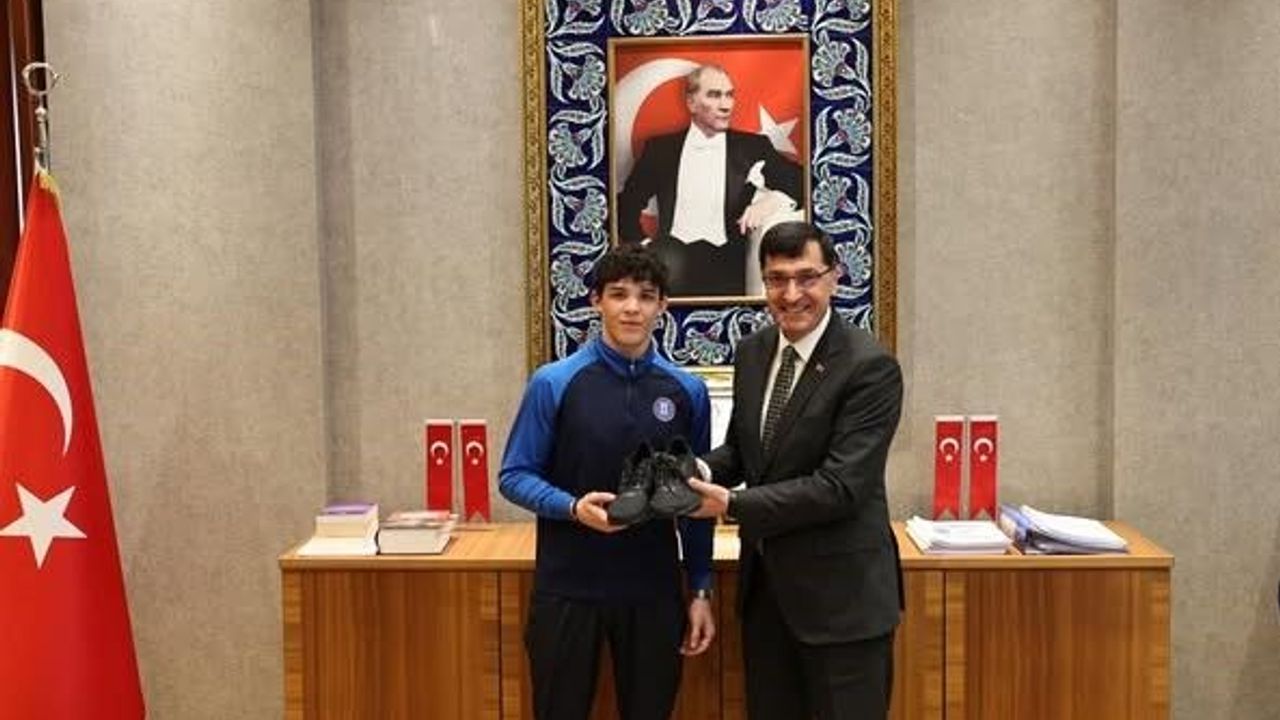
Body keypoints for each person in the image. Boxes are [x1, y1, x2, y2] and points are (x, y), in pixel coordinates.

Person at [686, 221, 904, 719]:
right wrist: (696, 470)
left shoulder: (870, 366)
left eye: (806, 277)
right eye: (777, 279)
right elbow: (744, 451)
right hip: (767, 601)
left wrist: (731, 505)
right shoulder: (753, 351)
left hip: (843, 608)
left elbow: (841, 487)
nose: (791, 294)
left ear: (834, 278)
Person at [499, 245, 716, 720]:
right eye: (619, 294)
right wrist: (573, 507)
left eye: (646, 296)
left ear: (662, 306)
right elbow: (514, 476)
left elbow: (695, 501)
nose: (632, 307)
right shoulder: (553, 382)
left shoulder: (688, 391)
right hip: (567, 588)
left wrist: (701, 589)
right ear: (596, 300)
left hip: (653, 591)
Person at [616, 63, 803, 297]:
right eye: (714, 95)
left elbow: (804, 183)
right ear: (691, 103)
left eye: (729, 95)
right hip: (669, 265)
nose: (726, 105)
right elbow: (626, 203)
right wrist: (644, 249)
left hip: (729, 268)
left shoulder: (752, 147)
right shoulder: (661, 149)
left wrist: (773, 201)